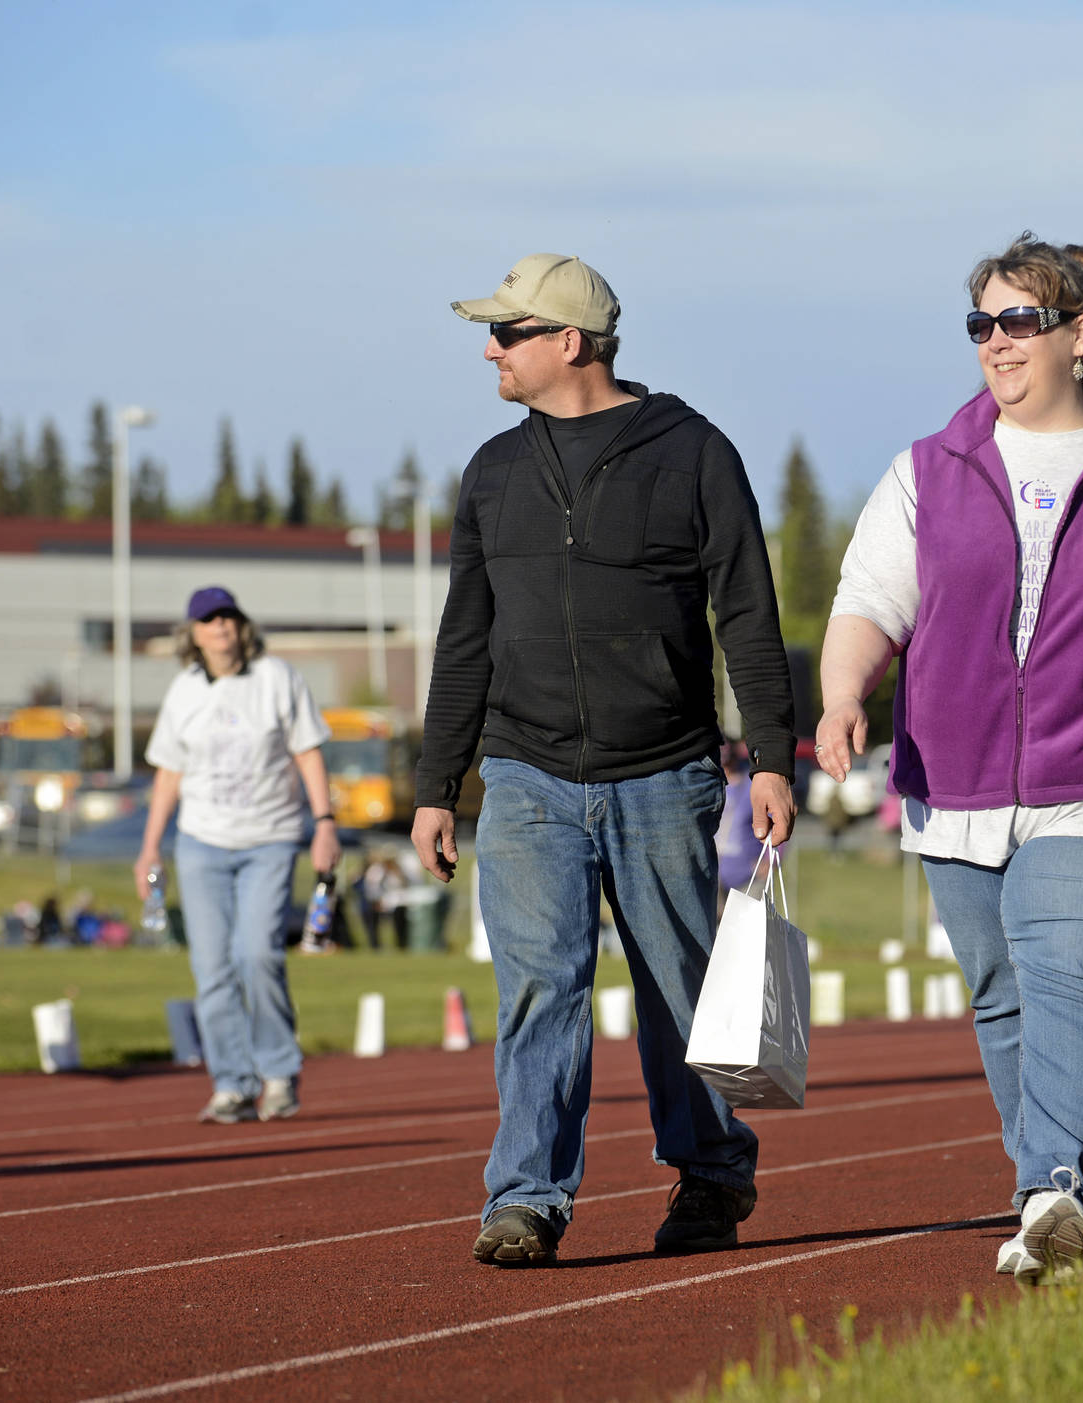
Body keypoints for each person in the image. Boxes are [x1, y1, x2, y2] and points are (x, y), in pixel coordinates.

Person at [818, 233, 1083, 1283]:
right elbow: (869, 600)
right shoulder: (928, 466)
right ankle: (1042, 1188)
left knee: (1069, 971)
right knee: (1002, 990)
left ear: (1076, 333)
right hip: (954, 782)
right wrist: (842, 694)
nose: (995, 343)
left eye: (1017, 321)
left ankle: (1056, 1180)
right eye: (981, 324)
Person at [410, 253, 797, 1267]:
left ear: (568, 342)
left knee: (678, 987)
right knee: (540, 984)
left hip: (662, 774)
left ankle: (711, 1170)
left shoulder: (693, 452)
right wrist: (435, 784)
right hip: (526, 774)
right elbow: (464, 638)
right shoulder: (493, 471)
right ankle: (528, 1195)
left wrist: (769, 755)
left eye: (507, 332)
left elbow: (747, 613)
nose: (488, 348)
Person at [137, 586, 340, 1124]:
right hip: (201, 843)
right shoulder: (184, 690)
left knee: (256, 955)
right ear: (193, 634)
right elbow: (168, 776)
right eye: (208, 619)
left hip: (269, 839)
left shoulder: (276, 678)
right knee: (211, 967)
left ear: (241, 625)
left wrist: (324, 824)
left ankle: (278, 1072)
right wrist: (149, 848)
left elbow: (307, 752)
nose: (220, 626)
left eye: (227, 616)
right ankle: (231, 1083)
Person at [714, 745, 764, 917]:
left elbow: (776, 821)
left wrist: (769, 859)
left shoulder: (752, 785)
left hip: (748, 876)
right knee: (715, 937)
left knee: (746, 933)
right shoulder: (710, 786)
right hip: (715, 875)